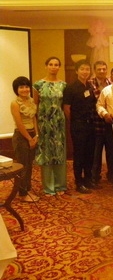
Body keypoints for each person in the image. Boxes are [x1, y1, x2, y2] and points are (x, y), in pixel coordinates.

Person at [33, 56, 67, 196]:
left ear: (59, 67)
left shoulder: (63, 85)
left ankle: (60, 185)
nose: (53, 67)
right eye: (51, 64)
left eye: (56, 64)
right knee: (46, 155)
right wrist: (36, 129)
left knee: (59, 153)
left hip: (59, 123)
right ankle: (48, 187)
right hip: (44, 123)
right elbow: (35, 107)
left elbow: (64, 105)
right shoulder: (38, 85)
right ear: (46, 66)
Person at [63, 59, 96, 194]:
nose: (85, 71)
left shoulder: (89, 86)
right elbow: (66, 108)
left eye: (87, 69)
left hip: (91, 125)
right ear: (77, 71)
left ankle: (88, 180)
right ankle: (79, 182)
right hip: (78, 125)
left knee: (89, 154)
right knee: (79, 154)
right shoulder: (70, 88)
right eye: (82, 69)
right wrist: (75, 122)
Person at [10, 76, 39, 202]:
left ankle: (27, 189)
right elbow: (19, 123)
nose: (25, 89)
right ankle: (23, 193)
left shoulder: (31, 101)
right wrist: (29, 139)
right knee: (23, 166)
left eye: (26, 86)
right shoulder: (15, 103)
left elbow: (34, 119)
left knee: (30, 165)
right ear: (16, 89)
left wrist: (36, 135)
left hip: (32, 135)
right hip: (22, 136)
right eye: (21, 87)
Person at [89, 61, 111, 187]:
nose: (102, 71)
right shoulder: (90, 84)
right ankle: (94, 178)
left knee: (110, 153)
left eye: (104, 69)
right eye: (99, 69)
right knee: (96, 153)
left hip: (109, 123)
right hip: (95, 123)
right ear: (95, 70)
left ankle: (111, 176)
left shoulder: (110, 83)